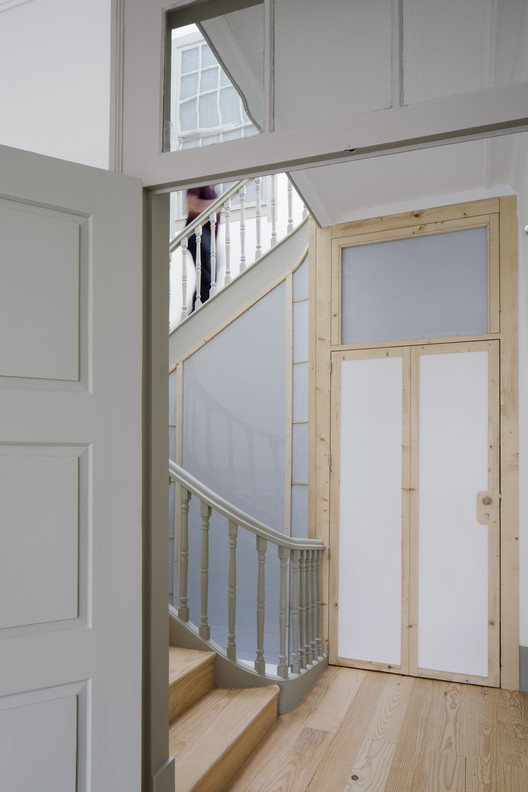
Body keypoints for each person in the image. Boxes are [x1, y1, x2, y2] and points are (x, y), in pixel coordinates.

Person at [185, 185, 219, 312]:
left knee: (210, 278)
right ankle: (196, 313)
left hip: (208, 238)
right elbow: (190, 204)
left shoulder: (213, 190)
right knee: (207, 277)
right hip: (197, 234)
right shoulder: (201, 184)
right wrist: (214, 204)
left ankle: (200, 311)